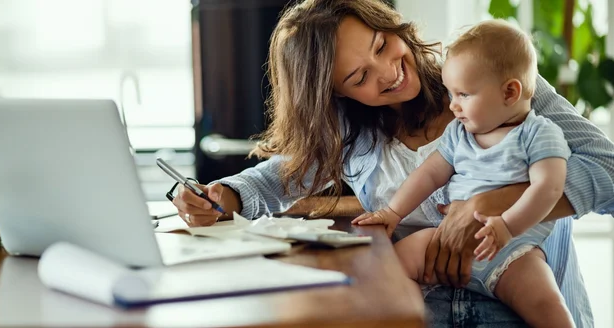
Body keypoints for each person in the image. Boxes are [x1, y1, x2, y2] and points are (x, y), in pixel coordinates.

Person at [172, 0, 614, 326]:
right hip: (421, 311)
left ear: (390, 25)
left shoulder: (491, 80)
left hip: (524, 306)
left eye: (383, 46)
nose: (388, 72)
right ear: (337, 94)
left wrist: (494, 203)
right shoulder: (352, 131)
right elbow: (276, 177)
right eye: (359, 76)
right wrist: (222, 195)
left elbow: (609, 172)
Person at [352, 20, 574, 327]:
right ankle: (409, 318)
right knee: (390, 267)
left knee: (546, 304)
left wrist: (506, 227)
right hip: (446, 240)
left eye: (464, 95)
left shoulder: (538, 134)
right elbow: (429, 174)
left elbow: (549, 189)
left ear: (510, 92)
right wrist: (392, 211)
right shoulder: (459, 133)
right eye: (450, 94)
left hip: (514, 251)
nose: (453, 106)